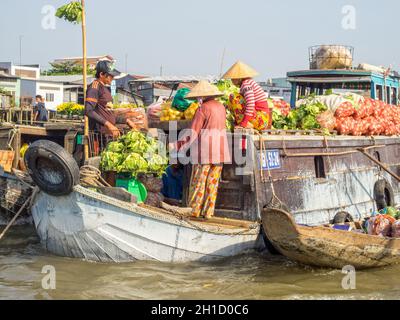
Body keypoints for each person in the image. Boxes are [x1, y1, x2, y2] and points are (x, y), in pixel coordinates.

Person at [174, 80, 231, 219]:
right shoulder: (221, 107)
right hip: (220, 151)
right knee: (212, 183)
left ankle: (194, 211)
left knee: (198, 182)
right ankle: (208, 213)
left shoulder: (202, 109)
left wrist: (177, 145)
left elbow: (192, 132)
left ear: (202, 96)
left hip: (204, 153)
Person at [222, 61, 271, 131]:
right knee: (230, 103)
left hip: (261, 120)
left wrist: (243, 123)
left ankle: (246, 123)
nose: (231, 80)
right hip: (259, 119)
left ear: (239, 78)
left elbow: (250, 104)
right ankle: (245, 123)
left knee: (233, 97)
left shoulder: (246, 84)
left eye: (232, 78)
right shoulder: (247, 84)